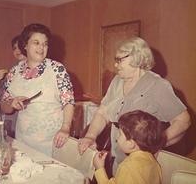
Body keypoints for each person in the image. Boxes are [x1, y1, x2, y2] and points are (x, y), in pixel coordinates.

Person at [78, 37, 191, 174]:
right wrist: (90, 136)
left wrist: (155, 144)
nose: (115, 65)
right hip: (117, 162)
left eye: (120, 60)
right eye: (116, 60)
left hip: (142, 168)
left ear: (137, 58)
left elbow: (183, 121)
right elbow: (103, 113)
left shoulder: (157, 85)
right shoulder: (117, 81)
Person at [0, 23, 74, 156]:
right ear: (25, 45)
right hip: (23, 140)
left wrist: (65, 128)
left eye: (45, 44)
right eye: (36, 43)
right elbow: (4, 105)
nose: (41, 47)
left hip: (52, 140)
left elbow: (68, 102)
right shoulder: (14, 72)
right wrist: (11, 103)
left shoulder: (57, 69)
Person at [93, 110, 166, 184]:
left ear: (131, 144)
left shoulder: (128, 167)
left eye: (120, 134)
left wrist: (100, 169)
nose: (117, 138)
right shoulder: (154, 162)